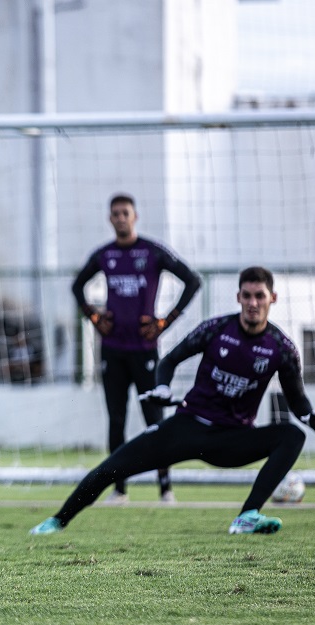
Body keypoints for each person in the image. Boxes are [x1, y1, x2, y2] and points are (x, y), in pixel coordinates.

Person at [31, 266, 315, 536]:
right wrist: (162, 388)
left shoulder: (282, 348)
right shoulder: (216, 329)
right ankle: (57, 521)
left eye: (259, 296)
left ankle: (247, 516)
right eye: (247, 296)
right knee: (111, 468)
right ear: (238, 298)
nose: (253, 303)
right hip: (187, 427)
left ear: (272, 298)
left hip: (232, 439)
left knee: (292, 435)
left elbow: (298, 403)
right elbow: (169, 360)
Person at [72, 193, 201, 505]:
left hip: (145, 350)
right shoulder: (104, 255)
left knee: (155, 421)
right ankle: (119, 490)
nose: (120, 218)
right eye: (115, 213)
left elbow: (193, 281)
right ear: (110, 218)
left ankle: (165, 489)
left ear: (135, 217)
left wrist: (165, 320)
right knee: (116, 420)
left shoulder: (152, 251)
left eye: (125, 213)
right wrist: (94, 317)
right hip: (112, 350)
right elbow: (77, 286)